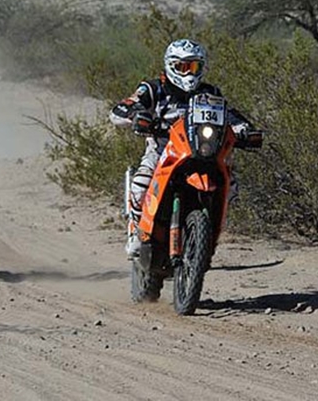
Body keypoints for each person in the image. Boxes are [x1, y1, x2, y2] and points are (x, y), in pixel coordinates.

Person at [109, 38, 256, 258]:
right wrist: (139, 116)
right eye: (182, 67)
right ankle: (135, 230)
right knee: (141, 186)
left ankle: (208, 228)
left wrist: (245, 129)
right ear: (170, 65)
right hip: (161, 150)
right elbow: (123, 108)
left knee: (230, 184)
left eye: (194, 67)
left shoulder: (210, 93)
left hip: (202, 150)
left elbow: (229, 113)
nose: (189, 73)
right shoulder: (153, 88)